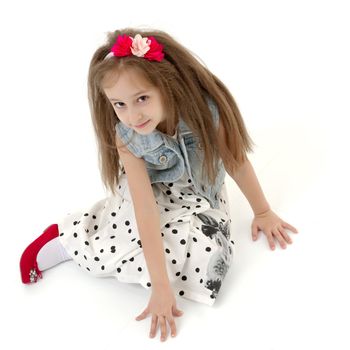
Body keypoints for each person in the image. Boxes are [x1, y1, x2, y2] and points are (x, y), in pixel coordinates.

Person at [19, 28, 299, 342]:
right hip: (150, 197)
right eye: (119, 104)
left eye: (141, 99)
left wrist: (263, 212)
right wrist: (160, 287)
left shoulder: (205, 113)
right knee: (127, 239)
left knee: (210, 263)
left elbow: (235, 162)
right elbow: (145, 208)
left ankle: (125, 246)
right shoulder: (127, 136)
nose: (132, 115)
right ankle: (68, 240)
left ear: (166, 85)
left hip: (197, 196)